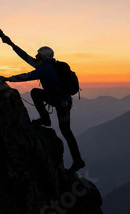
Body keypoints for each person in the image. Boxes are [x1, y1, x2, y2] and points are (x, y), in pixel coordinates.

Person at [5, 43, 86, 173]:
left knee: (36, 94)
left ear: (43, 58)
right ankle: (78, 160)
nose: (35, 58)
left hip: (60, 102)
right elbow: (26, 57)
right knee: (66, 131)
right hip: (64, 102)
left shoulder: (45, 69)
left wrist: (9, 78)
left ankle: (45, 119)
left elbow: (27, 76)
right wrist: (12, 45)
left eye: (38, 56)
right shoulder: (49, 66)